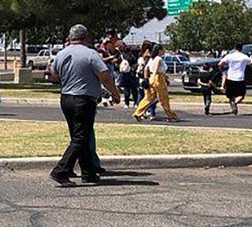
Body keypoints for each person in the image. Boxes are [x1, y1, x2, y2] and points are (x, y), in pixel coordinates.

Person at [48, 24, 121, 187]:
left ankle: (88, 172)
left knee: (81, 136)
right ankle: (60, 171)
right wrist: (115, 93)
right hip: (83, 99)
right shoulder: (90, 54)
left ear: (70, 37)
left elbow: (53, 74)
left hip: (66, 98)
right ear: (86, 37)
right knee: (81, 137)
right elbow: (105, 76)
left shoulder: (61, 54)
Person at [133, 44, 178, 121]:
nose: (164, 51)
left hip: (151, 78)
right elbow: (156, 69)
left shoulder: (151, 59)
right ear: (159, 50)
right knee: (164, 98)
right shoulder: (158, 59)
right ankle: (170, 115)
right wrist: (161, 76)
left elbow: (146, 69)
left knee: (148, 98)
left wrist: (146, 78)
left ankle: (138, 113)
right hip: (158, 78)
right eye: (163, 49)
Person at [219, 43, 252, 115]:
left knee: (231, 95)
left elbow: (220, 64)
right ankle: (235, 103)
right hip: (240, 78)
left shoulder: (229, 56)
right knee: (241, 95)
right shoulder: (244, 57)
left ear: (234, 48)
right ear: (241, 49)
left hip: (230, 77)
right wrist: (251, 58)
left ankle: (233, 104)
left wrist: (222, 67)